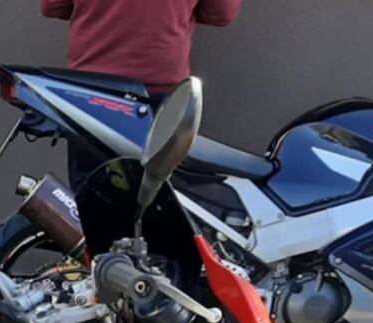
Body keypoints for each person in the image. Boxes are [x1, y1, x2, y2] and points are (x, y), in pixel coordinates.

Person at [40, 0, 242, 189]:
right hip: (163, 100)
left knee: (90, 197)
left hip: (89, 96)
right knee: (157, 197)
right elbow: (220, 14)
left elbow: (53, 6)